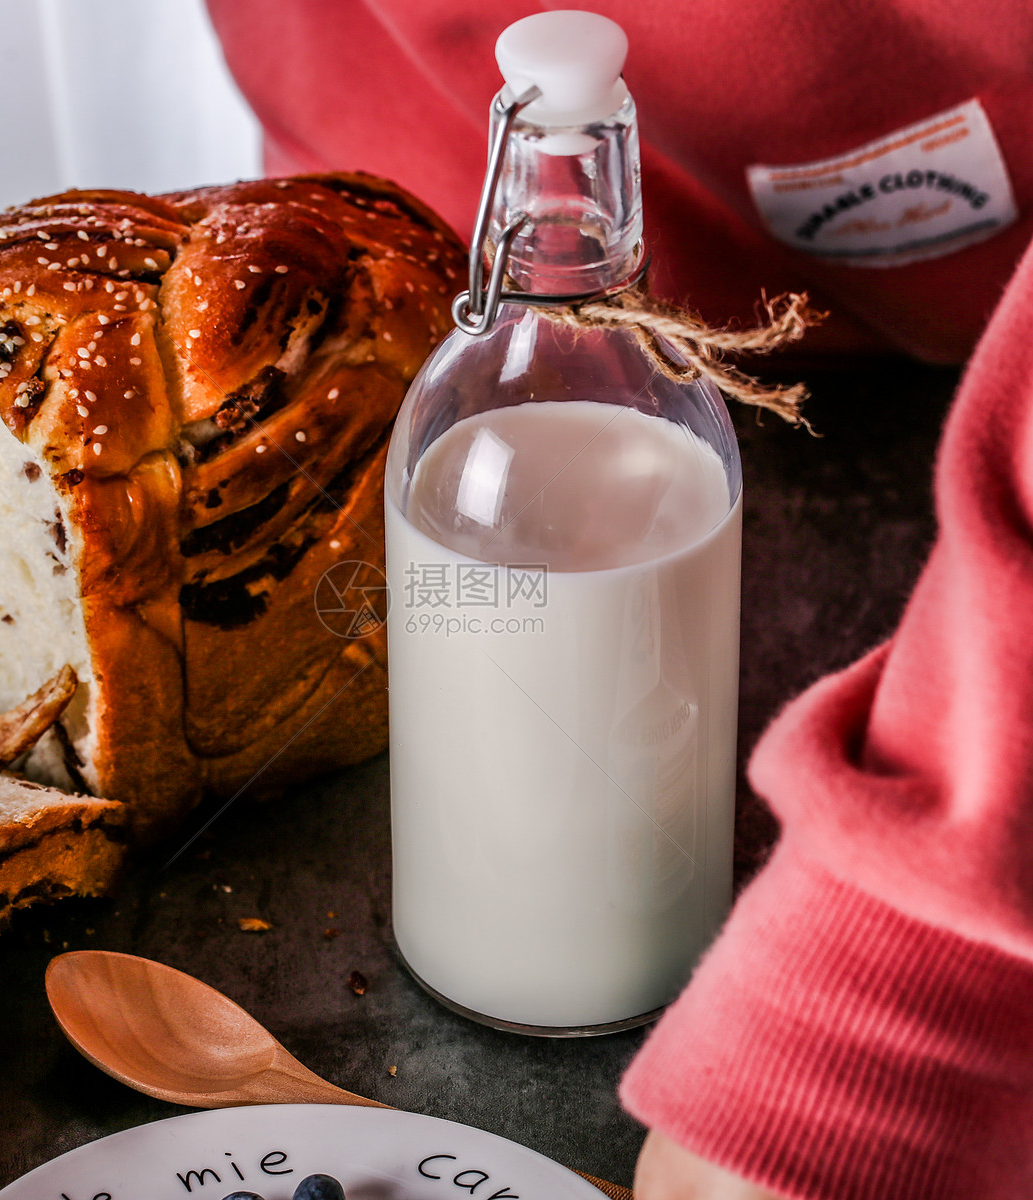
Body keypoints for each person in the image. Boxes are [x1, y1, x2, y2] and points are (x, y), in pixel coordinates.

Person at [206, 2, 1033, 1195]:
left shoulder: (680, 399)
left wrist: (865, 1017)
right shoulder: (452, 407)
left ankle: (637, 943)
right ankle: (485, 937)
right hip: (379, 196)